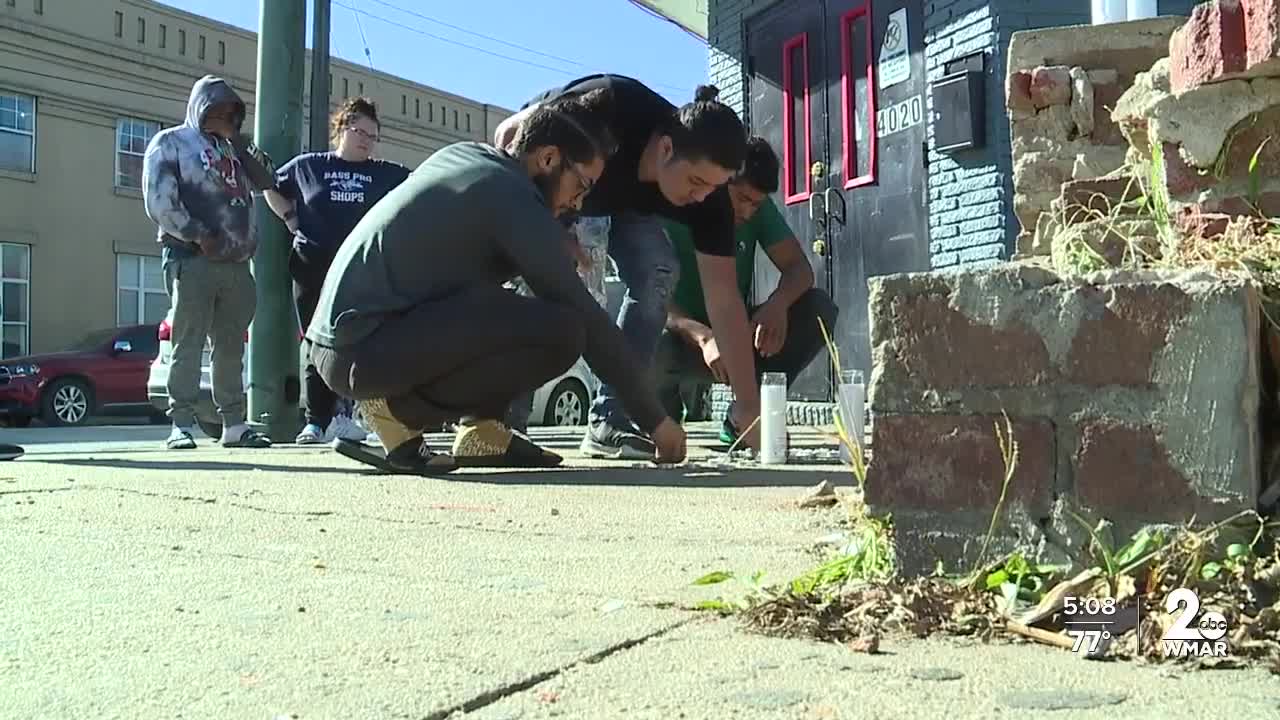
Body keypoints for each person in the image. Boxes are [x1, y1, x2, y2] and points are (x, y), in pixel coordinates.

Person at [307, 89, 687, 475]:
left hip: (348, 341)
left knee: (508, 307)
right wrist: (656, 420)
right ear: (549, 158)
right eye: (582, 186)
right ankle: (395, 411)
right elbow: (585, 315)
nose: (579, 204)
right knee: (564, 329)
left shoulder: (474, 160)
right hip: (362, 352)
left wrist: (555, 232)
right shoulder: (512, 199)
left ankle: (481, 429)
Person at [494, 76, 759, 461]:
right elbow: (507, 134)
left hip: (622, 206)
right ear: (666, 148)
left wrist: (749, 406)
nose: (701, 196)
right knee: (545, 272)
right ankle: (499, 424)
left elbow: (725, 299)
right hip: (555, 192)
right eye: (696, 181)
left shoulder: (709, 200)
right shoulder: (611, 104)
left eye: (712, 188)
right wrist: (546, 226)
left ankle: (610, 421)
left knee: (660, 269)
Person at [658, 137, 838, 442]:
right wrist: (702, 337)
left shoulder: (755, 209)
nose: (748, 211)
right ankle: (661, 421)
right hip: (682, 338)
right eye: (741, 198)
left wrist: (777, 304)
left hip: (736, 342)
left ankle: (747, 412)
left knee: (818, 308)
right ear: (719, 180)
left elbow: (800, 269)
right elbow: (650, 298)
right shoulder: (677, 206)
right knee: (650, 336)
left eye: (756, 203)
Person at [263, 97, 411, 446]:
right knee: (316, 342)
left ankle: (353, 417)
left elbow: (419, 186)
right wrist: (289, 217)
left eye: (373, 136)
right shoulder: (309, 166)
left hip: (360, 273)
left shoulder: (383, 173)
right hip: (312, 267)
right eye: (360, 132)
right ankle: (316, 421)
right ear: (342, 128)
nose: (366, 140)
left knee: (359, 342)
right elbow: (269, 184)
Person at [143, 74, 277, 451]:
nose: (224, 115)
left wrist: (237, 140)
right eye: (217, 108)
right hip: (191, 257)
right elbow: (159, 201)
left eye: (232, 110)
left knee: (231, 345)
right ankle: (180, 423)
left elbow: (269, 179)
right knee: (188, 342)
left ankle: (233, 422)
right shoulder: (170, 143)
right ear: (199, 105)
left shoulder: (236, 149)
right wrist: (200, 234)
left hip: (236, 263)